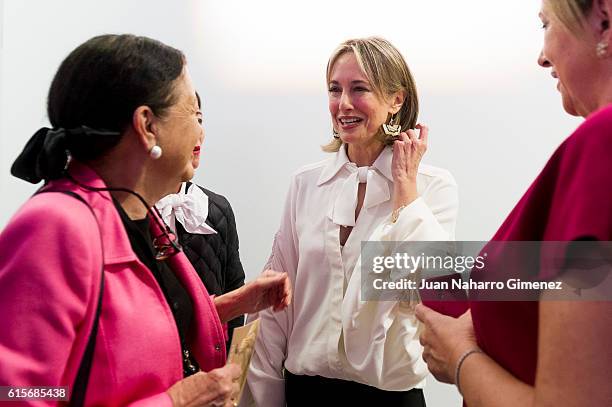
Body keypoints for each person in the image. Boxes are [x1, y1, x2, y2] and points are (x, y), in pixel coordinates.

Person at [0, 34, 291, 407]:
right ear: (147, 124)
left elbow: (124, 334)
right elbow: (18, 393)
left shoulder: (140, 214)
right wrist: (175, 401)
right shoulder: (55, 226)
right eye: (192, 113)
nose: (200, 132)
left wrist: (233, 304)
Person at [415, 1, 612, 406]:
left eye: (546, 25)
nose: (542, 56)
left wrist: (459, 356)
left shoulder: (600, 144)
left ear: (604, 19)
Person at [244, 37, 459, 406]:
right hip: (304, 393)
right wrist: (263, 398)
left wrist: (405, 188)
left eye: (359, 89)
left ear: (396, 100)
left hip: (391, 397)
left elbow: (428, 291)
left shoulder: (433, 186)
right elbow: (275, 305)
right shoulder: (305, 184)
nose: (343, 104)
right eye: (334, 89)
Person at [156, 92, 246, 351]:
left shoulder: (215, 208)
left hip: (208, 366)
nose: (199, 133)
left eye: (200, 119)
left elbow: (233, 288)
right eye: (188, 120)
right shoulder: (130, 213)